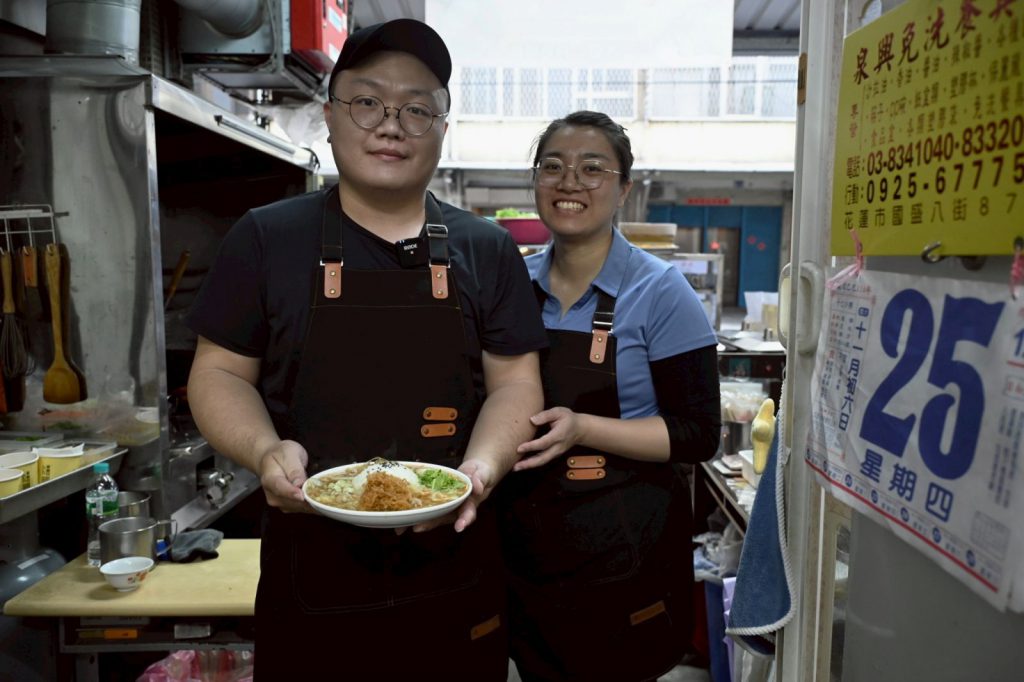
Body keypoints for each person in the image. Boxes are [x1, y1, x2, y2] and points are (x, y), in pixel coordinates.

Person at [185, 19, 546, 681]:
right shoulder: (266, 238)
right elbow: (218, 372)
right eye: (369, 101)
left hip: (455, 569)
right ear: (329, 113)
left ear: (442, 126)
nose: (391, 124)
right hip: (311, 573)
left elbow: (518, 384)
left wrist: (481, 470)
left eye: (417, 107)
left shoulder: (487, 250)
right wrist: (265, 451)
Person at [499, 111, 722, 682]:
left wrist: (584, 428)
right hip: (527, 543)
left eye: (592, 168)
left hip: (625, 547)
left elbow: (698, 433)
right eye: (553, 167)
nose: (569, 182)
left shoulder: (661, 290)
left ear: (624, 187)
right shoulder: (511, 287)